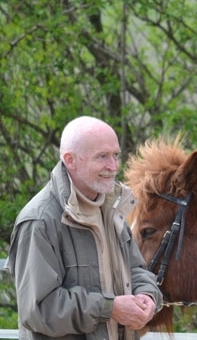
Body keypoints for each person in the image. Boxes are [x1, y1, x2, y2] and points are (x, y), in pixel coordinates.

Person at [6, 116, 163, 340]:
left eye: (115, 155)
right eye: (102, 157)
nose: (113, 166)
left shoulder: (111, 207)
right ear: (70, 160)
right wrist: (109, 308)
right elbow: (39, 309)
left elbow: (136, 270)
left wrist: (147, 294)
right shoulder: (39, 222)